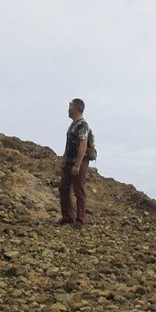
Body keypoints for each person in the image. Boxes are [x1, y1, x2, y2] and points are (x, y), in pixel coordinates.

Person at [59, 98, 90, 229]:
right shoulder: (73, 124)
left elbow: (83, 145)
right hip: (69, 162)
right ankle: (67, 217)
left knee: (79, 191)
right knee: (63, 187)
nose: (68, 108)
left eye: (70, 106)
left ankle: (80, 220)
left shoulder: (82, 125)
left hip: (79, 163)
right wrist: (65, 159)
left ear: (76, 108)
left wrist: (77, 164)